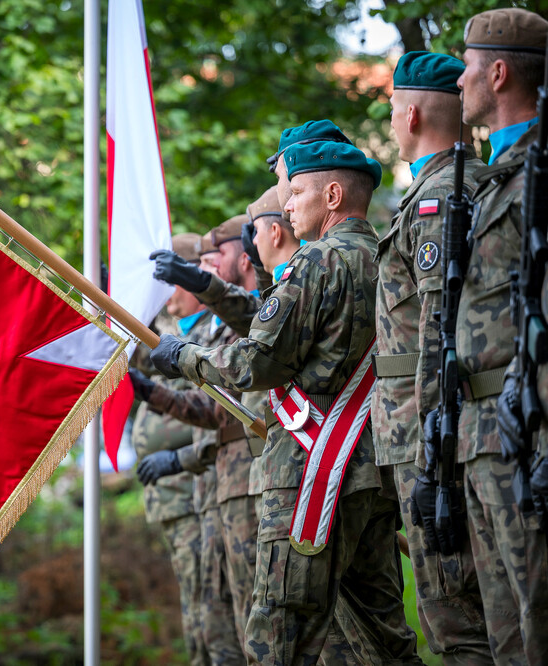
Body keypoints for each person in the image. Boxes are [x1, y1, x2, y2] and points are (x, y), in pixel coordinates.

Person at [150, 141, 420, 664]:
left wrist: (186, 357)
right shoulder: (387, 254)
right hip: (373, 469)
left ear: (333, 196)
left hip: (312, 471)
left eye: (295, 192)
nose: (287, 204)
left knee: (278, 635)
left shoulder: (317, 260)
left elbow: (261, 360)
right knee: (382, 638)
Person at [376, 51, 493, 664]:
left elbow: (436, 334)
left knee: (457, 620)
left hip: (433, 437)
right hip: (431, 432)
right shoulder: (445, 188)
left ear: (414, 114)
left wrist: (430, 458)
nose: (394, 123)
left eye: (394, 111)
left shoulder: (442, 196)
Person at [452, 9, 548, 663]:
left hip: (527, 434)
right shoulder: (495, 177)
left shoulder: (540, 170)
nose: (459, 82)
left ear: (499, 73)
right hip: (483, 435)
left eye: (468, 68)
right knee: (505, 635)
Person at [136, 215, 259, 659]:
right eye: (201, 266)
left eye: (211, 262)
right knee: (210, 620)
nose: (207, 272)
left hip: (238, 485)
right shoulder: (213, 327)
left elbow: (226, 413)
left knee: (245, 622)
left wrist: (180, 458)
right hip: (217, 490)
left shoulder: (238, 323)